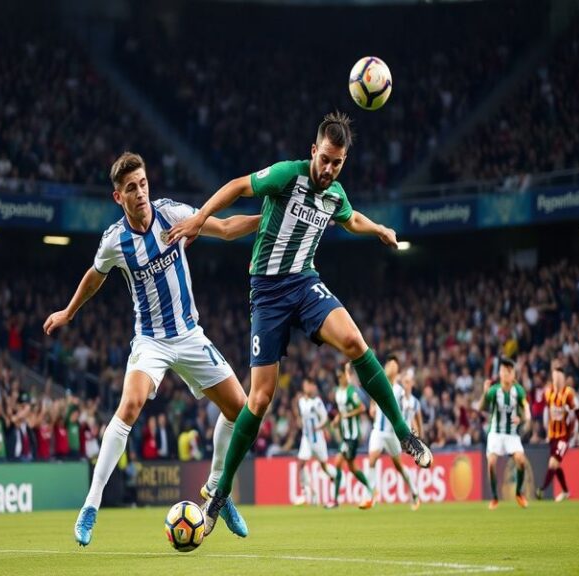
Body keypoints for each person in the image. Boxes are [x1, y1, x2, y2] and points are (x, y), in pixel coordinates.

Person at [166, 112, 432, 535]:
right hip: (268, 293)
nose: (329, 169)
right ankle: (219, 494)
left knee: (356, 343)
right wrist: (199, 218)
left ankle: (404, 432)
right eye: (325, 159)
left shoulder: (335, 194)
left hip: (306, 283)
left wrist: (378, 228)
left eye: (337, 163)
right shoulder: (287, 175)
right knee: (260, 399)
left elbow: (351, 217)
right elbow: (239, 186)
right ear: (313, 151)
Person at [43, 152, 260, 546]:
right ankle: (91, 505)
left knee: (240, 408)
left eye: (143, 184)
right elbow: (95, 276)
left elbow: (226, 228)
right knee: (129, 406)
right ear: (118, 197)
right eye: (131, 188)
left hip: (191, 335)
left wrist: (269, 221)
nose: (140, 193)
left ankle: (215, 490)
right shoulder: (115, 241)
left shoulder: (172, 214)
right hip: (152, 341)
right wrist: (69, 312)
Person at [367, 359, 421, 510]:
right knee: (372, 460)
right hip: (378, 430)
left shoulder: (399, 390)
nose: (391, 367)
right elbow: (373, 394)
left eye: (394, 365)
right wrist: (372, 406)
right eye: (389, 364)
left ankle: (414, 492)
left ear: (396, 371)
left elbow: (404, 413)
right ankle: (373, 493)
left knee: (399, 466)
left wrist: (409, 433)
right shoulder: (379, 382)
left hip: (391, 434)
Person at [480, 357, 531, 510]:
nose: (506, 374)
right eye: (503, 370)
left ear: (513, 374)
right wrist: (484, 393)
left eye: (509, 371)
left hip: (512, 435)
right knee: (491, 463)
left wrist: (523, 419)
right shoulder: (495, 390)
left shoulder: (518, 391)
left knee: (521, 461)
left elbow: (525, 409)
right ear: (500, 373)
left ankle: (518, 493)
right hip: (495, 433)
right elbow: (482, 407)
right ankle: (495, 497)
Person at [326, 362, 374, 510]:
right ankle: (371, 489)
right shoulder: (339, 392)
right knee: (352, 468)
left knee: (338, 462)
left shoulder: (351, 392)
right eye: (339, 377)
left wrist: (348, 414)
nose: (341, 379)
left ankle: (334, 500)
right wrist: (336, 419)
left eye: (342, 376)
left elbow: (362, 408)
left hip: (352, 436)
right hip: (345, 435)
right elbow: (341, 411)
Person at [536, 360, 577, 502]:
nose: (556, 380)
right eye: (554, 377)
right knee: (556, 465)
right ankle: (566, 491)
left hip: (564, 436)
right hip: (552, 436)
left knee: (553, 463)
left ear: (563, 378)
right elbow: (546, 411)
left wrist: (573, 435)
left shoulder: (568, 393)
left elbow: (573, 416)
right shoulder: (548, 393)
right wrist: (547, 430)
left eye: (559, 377)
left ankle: (541, 490)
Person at [293, 377, 334, 505]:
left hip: (317, 440)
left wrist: (319, 427)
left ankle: (335, 477)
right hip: (306, 438)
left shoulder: (317, 402)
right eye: (305, 385)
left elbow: (325, 419)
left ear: (313, 387)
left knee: (324, 466)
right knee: (301, 463)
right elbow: (299, 415)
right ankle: (306, 493)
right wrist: (299, 420)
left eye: (309, 385)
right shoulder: (301, 402)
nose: (307, 387)